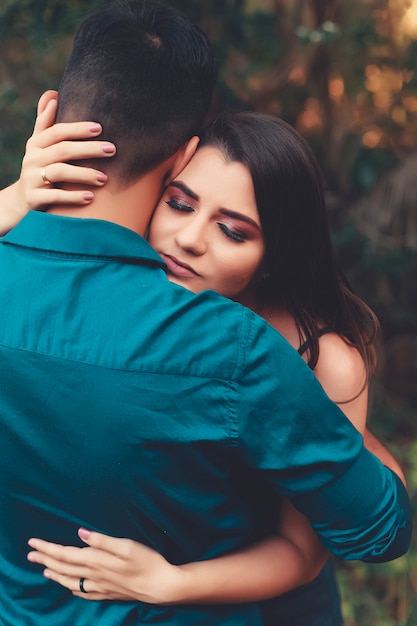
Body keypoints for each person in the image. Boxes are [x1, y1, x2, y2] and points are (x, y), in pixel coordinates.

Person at [0, 1, 411, 625]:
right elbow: (379, 528)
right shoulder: (232, 352)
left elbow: (320, 548)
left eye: (234, 230)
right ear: (177, 161)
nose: (191, 240)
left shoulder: (292, 351)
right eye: (181, 203)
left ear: (53, 115)